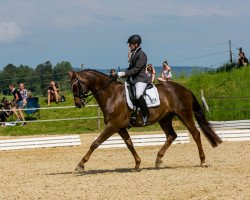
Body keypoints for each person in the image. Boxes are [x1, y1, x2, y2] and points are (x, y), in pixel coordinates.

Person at [117, 34, 150, 126]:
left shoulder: (142, 55)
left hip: (141, 79)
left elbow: (137, 69)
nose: (129, 46)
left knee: (138, 94)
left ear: (136, 44)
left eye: (130, 44)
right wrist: (121, 75)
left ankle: (146, 116)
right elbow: (130, 68)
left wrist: (124, 74)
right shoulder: (134, 54)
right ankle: (132, 114)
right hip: (133, 79)